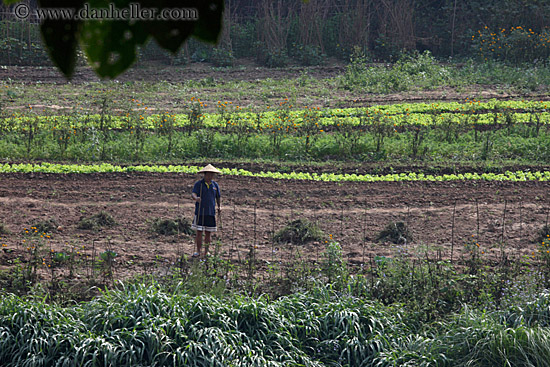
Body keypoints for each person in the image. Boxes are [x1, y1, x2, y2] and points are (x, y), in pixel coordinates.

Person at [191, 164, 221, 257]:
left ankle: (206, 251)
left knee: (208, 232)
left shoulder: (215, 185)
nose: (210, 176)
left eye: (212, 174)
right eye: (208, 174)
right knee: (199, 232)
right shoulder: (199, 184)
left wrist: (219, 207)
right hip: (200, 211)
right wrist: (196, 198)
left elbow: (218, 197)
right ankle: (198, 251)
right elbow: (193, 194)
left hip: (210, 212)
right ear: (204, 174)